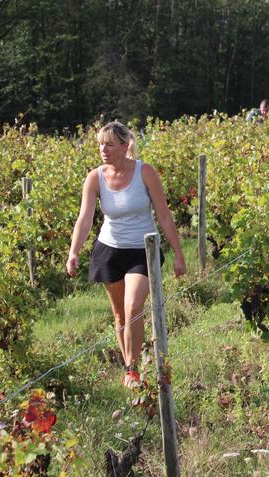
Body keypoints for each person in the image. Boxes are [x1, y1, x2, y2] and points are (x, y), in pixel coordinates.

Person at [66, 121, 186, 387]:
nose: (103, 149)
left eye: (109, 144)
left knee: (134, 308)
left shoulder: (145, 172)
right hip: (109, 250)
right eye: (100, 144)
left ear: (124, 145)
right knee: (120, 314)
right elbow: (84, 219)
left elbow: (164, 216)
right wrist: (73, 252)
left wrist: (179, 253)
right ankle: (131, 369)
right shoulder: (95, 177)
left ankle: (134, 367)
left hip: (142, 249)